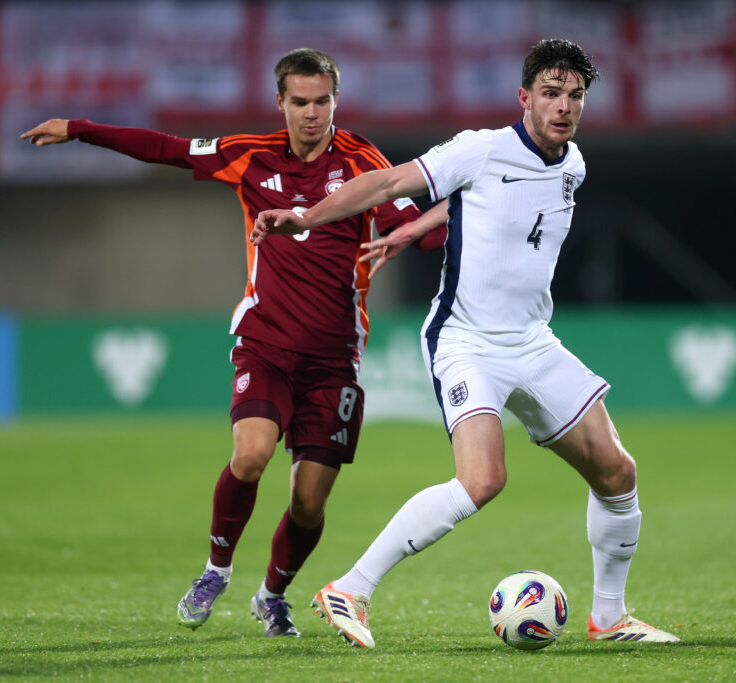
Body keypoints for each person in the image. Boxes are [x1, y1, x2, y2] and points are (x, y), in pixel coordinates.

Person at [252, 39, 679, 648]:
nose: (563, 107)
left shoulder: (573, 164)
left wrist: (422, 227)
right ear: (524, 97)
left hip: (533, 341)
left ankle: (609, 618)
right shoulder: (481, 147)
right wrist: (306, 217)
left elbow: (480, 202)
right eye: (551, 94)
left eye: (575, 96)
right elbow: (389, 183)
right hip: (467, 341)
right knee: (482, 480)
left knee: (617, 471)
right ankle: (349, 588)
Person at [21, 48, 448, 638]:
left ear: (335, 101)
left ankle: (272, 595)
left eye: (323, 101)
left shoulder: (361, 161)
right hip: (265, 343)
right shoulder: (251, 155)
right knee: (250, 454)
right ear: (281, 102)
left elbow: (419, 232)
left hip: (335, 359)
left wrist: (456, 207)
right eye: (300, 101)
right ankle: (216, 570)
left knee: (308, 504)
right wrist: (81, 130)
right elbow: (167, 148)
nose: (312, 113)